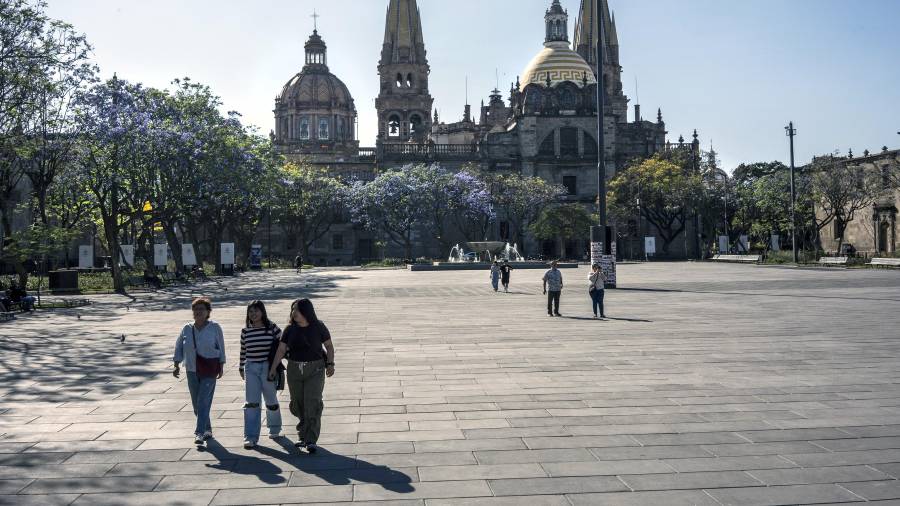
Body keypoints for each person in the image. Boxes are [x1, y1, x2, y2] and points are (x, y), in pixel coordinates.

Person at [269, 298, 335, 454]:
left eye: (297, 310)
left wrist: (330, 364)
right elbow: (281, 350)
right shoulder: (290, 329)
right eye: (292, 310)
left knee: (312, 402)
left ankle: (311, 439)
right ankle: (302, 434)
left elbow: (329, 346)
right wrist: (273, 369)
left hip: (316, 369)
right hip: (294, 369)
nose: (294, 313)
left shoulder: (319, 326)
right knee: (297, 403)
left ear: (306, 311)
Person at [173, 297, 226, 446]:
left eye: (201, 309)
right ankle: (207, 429)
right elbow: (179, 346)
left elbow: (221, 346)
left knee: (203, 401)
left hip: (209, 369)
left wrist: (222, 364)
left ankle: (199, 433)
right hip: (191, 369)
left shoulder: (215, 327)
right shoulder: (187, 328)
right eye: (195, 309)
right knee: (197, 404)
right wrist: (176, 364)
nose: (198, 312)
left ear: (208, 312)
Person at [239, 300, 283, 449]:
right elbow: (243, 351)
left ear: (263, 312)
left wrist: (276, 365)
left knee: (271, 399)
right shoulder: (245, 331)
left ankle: (274, 428)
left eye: (256, 310)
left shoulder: (272, 328)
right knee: (251, 403)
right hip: (250, 367)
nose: (253, 314)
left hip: (267, 367)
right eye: (250, 311)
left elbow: (283, 344)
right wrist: (240, 367)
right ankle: (250, 437)